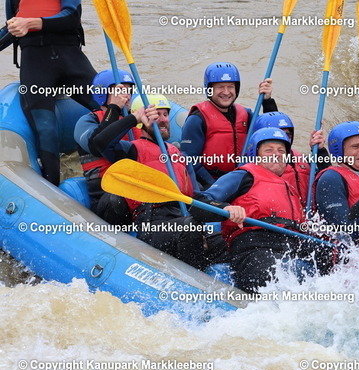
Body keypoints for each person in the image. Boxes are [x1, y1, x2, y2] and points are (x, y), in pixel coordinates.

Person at [93, 94, 243, 270]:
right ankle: (193, 281)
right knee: (189, 228)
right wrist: (135, 118)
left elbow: (195, 199)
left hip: (184, 221)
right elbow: (100, 143)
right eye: (157, 115)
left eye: (166, 115)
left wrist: (225, 209)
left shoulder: (178, 155)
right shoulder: (132, 150)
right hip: (153, 227)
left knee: (238, 239)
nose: (164, 120)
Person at [192, 127, 333, 293]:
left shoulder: (290, 189)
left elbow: (326, 178)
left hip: (290, 245)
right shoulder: (244, 175)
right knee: (268, 271)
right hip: (255, 245)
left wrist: (321, 151)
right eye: (269, 150)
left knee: (328, 254)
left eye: (281, 151)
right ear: (255, 155)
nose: (277, 154)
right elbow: (199, 203)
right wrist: (226, 208)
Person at [2, 0, 100, 186]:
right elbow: (12, 28)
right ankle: (53, 189)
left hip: (71, 59)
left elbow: (72, 16)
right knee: (46, 128)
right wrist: (17, 26)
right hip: (36, 65)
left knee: (109, 105)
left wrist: (31, 22)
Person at [181, 62, 278, 187]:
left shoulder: (246, 115)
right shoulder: (197, 119)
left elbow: (273, 133)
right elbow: (190, 160)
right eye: (220, 87)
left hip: (242, 179)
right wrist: (217, 187)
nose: (226, 92)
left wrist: (267, 101)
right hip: (211, 183)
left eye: (230, 87)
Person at [74, 69, 138, 224]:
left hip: (137, 188)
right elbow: (96, 145)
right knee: (116, 199)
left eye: (128, 90)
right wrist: (114, 108)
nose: (126, 95)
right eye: (120, 91)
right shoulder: (87, 121)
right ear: (102, 94)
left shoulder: (137, 121)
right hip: (106, 195)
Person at [252, 111, 328, 208]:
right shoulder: (252, 165)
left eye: (287, 134)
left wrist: (320, 151)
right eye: (277, 133)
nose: (284, 137)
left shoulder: (303, 160)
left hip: (305, 214)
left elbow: (328, 181)